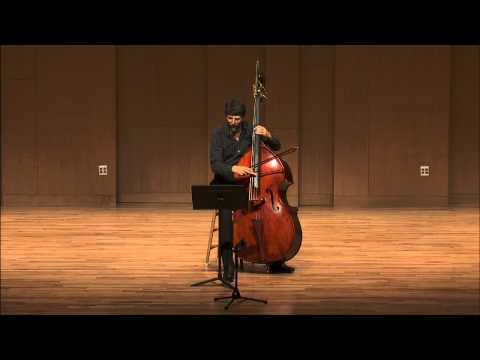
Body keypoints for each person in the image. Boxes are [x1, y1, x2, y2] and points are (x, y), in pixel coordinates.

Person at [209, 98, 295, 282]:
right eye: (230, 118)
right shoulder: (218, 134)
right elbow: (215, 164)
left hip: (251, 184)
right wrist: (233, 169)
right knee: (225, 215)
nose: (233, 122)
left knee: (268, 217)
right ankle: (228, 266)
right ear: (226, 117)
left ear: (242, 118)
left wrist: (268, 135)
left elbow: (277, 147)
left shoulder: (252, 131)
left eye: (237, 119)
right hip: (228, 182)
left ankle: (275, 260)